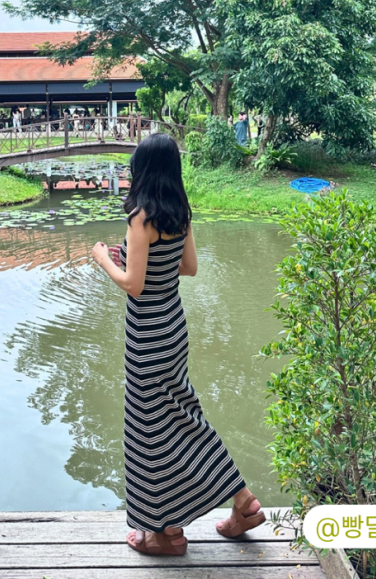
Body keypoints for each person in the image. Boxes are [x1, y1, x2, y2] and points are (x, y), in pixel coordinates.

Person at [91, 133, 264, 556]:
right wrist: (134, 259)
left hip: (147, 334)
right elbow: (188, 267)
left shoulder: (140, 217)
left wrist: (104, 259)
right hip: (173, 327)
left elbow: (134, 285)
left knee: (148, 427)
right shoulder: (179, 213)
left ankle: (161, 533)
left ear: (143, 169)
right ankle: (224, 508)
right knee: (181, 417)